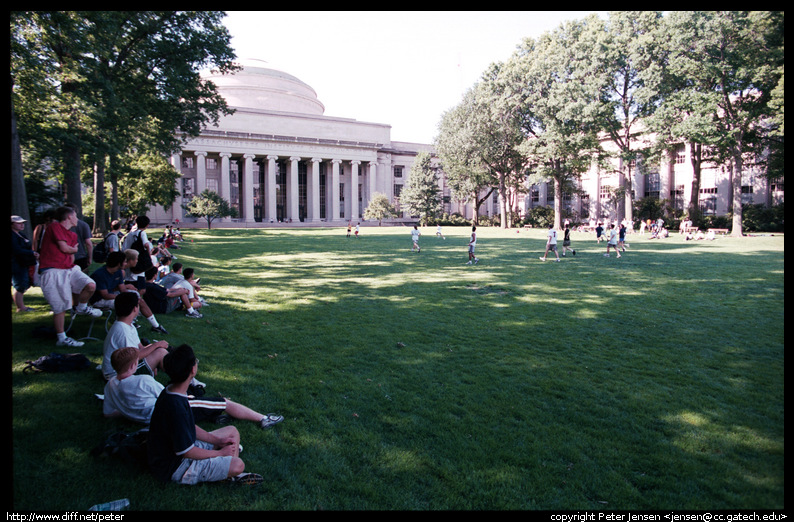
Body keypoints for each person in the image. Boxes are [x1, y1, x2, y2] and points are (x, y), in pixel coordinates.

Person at [147, 343, 264, 485]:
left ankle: (223, 468)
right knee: (237, 465)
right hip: (176, 466)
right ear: (192, 370)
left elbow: (189, 426)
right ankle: (227, 473)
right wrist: (220, 453)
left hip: (181, 449)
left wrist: (216, 440)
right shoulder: (175, 406)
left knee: (232, 431)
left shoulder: (172, 391)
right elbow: (186, 452)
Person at [103, 346, 283, 429]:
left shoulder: (110, 385)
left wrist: (131, 411)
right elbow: (168, 398)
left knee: (202, 402)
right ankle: (263, 418)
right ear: (134, 364)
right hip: (167, 415)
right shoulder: (142, 381)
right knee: (223, 402)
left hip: (151, 416)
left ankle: (213, 417)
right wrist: (192, 400)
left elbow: (109, 414)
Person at [37, 205, 103, 348]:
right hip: (52, 270)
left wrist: (71, 252)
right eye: (75, 216)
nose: (77, 219)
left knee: (90, 285)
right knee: (61, 307)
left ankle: (82, 307)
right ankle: (62, 338)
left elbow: (71, 256)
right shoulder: (54, 227)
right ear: (69, 217)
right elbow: (65, 248)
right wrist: (72, 249)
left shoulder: (72, 235)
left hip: (69, 268)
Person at [101, 291, 170, 381]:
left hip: (124, 367)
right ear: (135, 309)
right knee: (161, 352)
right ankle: (182, 381)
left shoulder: (128, 325)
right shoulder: (122, 330)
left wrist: (154, 349)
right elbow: (133, 357)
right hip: (116, 374)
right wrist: (156, 346)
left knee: (159, 350)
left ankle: (180, 378)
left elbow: (140, 348)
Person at [11, 215, 39, 312]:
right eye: (18, 223)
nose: (22, 225)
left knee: (24, 284)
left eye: (22, 223)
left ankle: (21, 306)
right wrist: (31, 253)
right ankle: (20, 307)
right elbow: (16, 250)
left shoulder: (21, 235)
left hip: (24, 263)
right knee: (20, 284)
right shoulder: (12, 236)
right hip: (16, 264)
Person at [64, 203, 93, 271]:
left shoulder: (59, 225)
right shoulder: (84, 225)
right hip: (80, 256)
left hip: (66, 257)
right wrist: (90, 258)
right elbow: (88, 243)